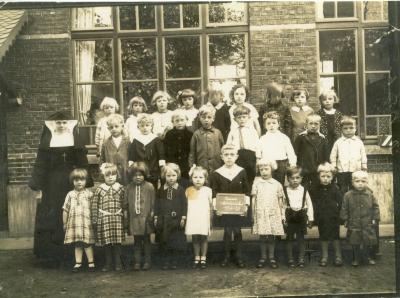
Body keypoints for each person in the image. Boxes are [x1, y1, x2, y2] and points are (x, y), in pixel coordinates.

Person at [28, 110, 93, 267]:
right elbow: (41, 164)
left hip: (72, 182)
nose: (62, 125)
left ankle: (74, 252)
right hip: (52, 184)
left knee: (74, 214)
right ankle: (52, 254)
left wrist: (86, 181)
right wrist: (38, 185)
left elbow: (82, 162)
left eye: (64, 122)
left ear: (69, 124)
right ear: (53, 125)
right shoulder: (48, 140)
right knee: (54, 214)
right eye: (58, 122)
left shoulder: (74, 139)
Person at [209, 144, 251, 268]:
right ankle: (226, 256)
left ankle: (239, 256)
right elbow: (214, 192)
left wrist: (245, 206)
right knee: (227, 231)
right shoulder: (217, 173)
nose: (229, 157)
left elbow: (246, 190)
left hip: (238, 208)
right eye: (226, 155)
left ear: (236, 156)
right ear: (222, 157)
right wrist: (217, 207)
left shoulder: (241, 171)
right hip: (225, 209)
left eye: (232, 155)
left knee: (237, 231)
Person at [340, 171, 380, 267]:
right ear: (352, 182)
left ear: (367, 182)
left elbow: (375, 207)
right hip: (354, 223)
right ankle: (356, 258)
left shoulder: (370, 194)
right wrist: (345, 219)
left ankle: (368, 257)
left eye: (363, 181)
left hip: (367, 222)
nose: (360, 183)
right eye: (357, 181)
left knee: (368, 241)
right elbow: (344, 208)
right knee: (355, 241)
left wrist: (375, 218)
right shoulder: (348, 195)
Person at [251, 159, 285, 269]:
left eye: (266, 169)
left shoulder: (277, 184)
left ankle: (271, 257)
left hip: (273, 213)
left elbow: (281, 201)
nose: (264, 172)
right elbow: (253, 199)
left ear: (272, 169)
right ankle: (263, 257)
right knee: (262, 236)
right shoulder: (256, 183)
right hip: (261, 213)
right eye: (261, 170)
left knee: (271, 236)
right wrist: (253, 213)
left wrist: (281, 214)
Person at [91, 163, 125, 272]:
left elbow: (124, 204)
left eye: (113, 175)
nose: (110, 177)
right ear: (103, 177)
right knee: (107, 242)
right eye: (107, 175)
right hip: (104, 218)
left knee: (117, 242)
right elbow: (94, 204)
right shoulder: (100, 189)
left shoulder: (120, 188)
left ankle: (118, 263)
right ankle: (108, 263)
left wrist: (125, 217)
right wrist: (95, 218)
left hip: (117, 218)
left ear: (116, 175)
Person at [309, 162, 343, 267]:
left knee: (335, 237)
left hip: (333, 217)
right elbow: (312, 203)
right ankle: (324, 256)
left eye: (328, 176)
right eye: (323, 176)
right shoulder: (315, 189)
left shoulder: (335, 189)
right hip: (321, 217)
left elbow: (341, 203)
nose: (325, 179)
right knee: (323, 236)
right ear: (318, 176)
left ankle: (338, 256)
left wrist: (341, 216)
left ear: (332, 177)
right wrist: (313, 217)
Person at [154, 163, 187, 270]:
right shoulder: (161, 190)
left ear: (177, 176)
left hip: (176, 220)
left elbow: (184, 204)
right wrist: (156, 216)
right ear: (164, 176)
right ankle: (165, 261)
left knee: (175, 241)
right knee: (164, 241)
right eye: (168, 176)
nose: (171, 178)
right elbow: (157, 204)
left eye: (173, 175)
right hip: (164, 220)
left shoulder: (180, 189)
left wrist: (183, 217)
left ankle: (175, 261)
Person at [62, 168, 95, 272]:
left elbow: (93, 208)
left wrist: (94, 221)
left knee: (87, 243)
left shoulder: (89, 194)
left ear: (86, 181)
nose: (79, 182)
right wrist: (64, 223)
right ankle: (78, 263)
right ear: (73, 181)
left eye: (82, 180)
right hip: (74, 224)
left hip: (86, 223)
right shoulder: (70, 194)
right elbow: (65, 209)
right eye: (76, 180)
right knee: (78, 243)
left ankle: (91, 262)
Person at [124, 162, 155, 271]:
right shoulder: (128, 188)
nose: (138, 177)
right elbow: (126, 204)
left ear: (145, 175)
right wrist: (126, 218)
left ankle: (147, 262)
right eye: (135, 175)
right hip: (134, 219)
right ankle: (137, 262)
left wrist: (152, 214)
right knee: (136, 241)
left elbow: (152, 203)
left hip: (146, 218)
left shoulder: (149, 187)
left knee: (147, 241)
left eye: (140, 175)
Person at [283, 166, 314, 268]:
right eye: (292, 178)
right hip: (289, 216)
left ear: (301, 178)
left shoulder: (304, 190)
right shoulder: (285, 191)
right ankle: (290, 259)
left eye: (298, 178)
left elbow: (309, 204)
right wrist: (283, 218)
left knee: (301, 239)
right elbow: (282, 206)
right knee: (289, 238)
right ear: (288, 179)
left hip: (301, 216)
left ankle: (301, 258)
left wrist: (310, 218)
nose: (295, 180)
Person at [330, 116, 367, 193]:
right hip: (342, 171)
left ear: (355, 129)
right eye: (345, 128)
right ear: (341, 130)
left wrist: (364, 166)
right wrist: (334, 166)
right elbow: (333, 156)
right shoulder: (338, 142)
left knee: (354, 188)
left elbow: (363, 154)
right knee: (342, 189)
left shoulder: (359, 142)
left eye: (351, 128)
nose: (348, 130)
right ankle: (343, 204)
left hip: (356, 170)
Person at [128, 114, 166, 190]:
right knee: (140, 186)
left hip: (153, 168)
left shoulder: (155, 139)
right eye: (142, 126)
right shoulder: (136, 140)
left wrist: (162, 166)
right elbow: (132, 153)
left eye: (147, 125)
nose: (145, 128)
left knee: (152, 187)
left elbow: (161, 153)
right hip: (140, 169)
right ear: (138, 127)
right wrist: (131, 163)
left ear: (151, 126)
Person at [185, 166, 213, 269]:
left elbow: (210, 206)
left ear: (205, 179)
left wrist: (211, 220)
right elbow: (187, 205)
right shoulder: (188, 190)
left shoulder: (208, 190)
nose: (198, 179)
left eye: (201, 177)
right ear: (191, 178)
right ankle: (197, 257)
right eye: (195, 177)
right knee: (195, 237)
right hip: (193, 217)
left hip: (203, 217)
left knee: (203, 237)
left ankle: (203, 257)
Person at [226, 105, 261, 187]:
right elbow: (228, 144)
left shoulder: (252, 131)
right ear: (235, 119)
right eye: (239, 117)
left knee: (250, 176)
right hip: (238, 156)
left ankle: (249, 194)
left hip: (250, 156)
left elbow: (258, 145)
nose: (242, 119)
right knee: (239, 175)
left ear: (248, 118)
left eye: (244, 117)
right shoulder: (233, 131)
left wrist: (258, 158)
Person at [259, 111, 297, 185]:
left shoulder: (284, 137)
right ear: (264, 125)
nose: (271, 125)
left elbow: (290, 152)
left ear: (278, 124)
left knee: (280, 183)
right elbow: (258, 152)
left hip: (281, 164)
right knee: (268, 183)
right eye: (268, 123)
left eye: (274, 123)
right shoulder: (262, 138)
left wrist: (293, 164)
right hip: (267, 164)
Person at [294, 114, 329, 190]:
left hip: (318, 168)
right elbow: (295, 153)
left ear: (320, 125)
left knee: (317, 188)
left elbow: (326, 155)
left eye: (316, 124)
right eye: (311, 123)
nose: (313, 126)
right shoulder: (301, 137)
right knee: (304, 188)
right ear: (306, 124)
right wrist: (297, 167)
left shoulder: (323, 139)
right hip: (304, 168)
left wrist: (325, 166)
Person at [189, 104, 224, 175]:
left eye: (209, 117)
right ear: (199, 118)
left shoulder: (218, 133)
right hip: (202, 168)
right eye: (203, 117)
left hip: (217, 166)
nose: (206, 120)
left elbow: (222, 149)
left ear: (213, 118)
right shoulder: (196, 134)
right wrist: (192, 166)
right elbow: (192, 153)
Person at [164, 110, 193, 187]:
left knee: (185, 183)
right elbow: (166, 150)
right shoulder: (169, 134)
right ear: (173, 122)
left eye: (182, 120)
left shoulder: (190, 134)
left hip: (185, 165)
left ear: (186, 120)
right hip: (172, 163)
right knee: (172, 183)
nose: (179, 122)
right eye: (177, 121)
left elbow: (192, 150)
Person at [100, 114, 130, 185]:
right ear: (108, 129)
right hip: (111, 174)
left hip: (125, 173)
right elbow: (102, 159)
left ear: (122, 127)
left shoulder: (127, 141)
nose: (114, 129)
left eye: (116, 126)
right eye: (111, 127)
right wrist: (104, 170)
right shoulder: (106, 143)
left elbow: (132, 157)